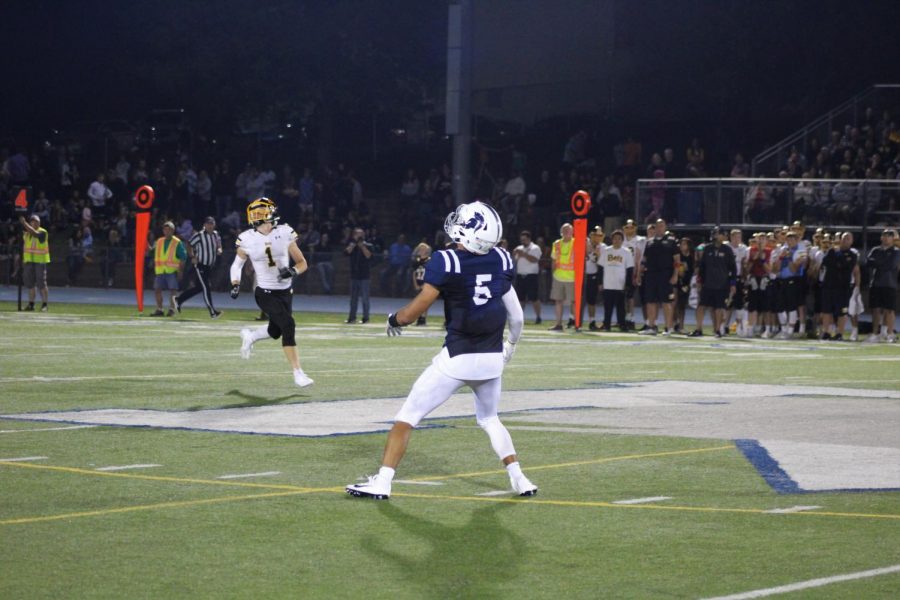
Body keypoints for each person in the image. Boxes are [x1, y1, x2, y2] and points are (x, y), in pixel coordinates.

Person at [346, 201, 536, 500]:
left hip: (458, 358)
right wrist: (510, 346)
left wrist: (395, 319)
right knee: (489, 419)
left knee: (406, 417)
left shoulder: (447, 260)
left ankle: (382, 482)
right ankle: (520, 478)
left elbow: (414, 311)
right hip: (491, 359)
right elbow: (517, 318)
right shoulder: (501, 258)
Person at [229, 197, 313, 387]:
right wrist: (235, 283)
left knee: (275, 331)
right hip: (264, 292)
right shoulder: (247, 239)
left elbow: (302, 263)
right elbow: (237, 264)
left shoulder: (284, 233)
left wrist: (292, 271)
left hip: (285, 292)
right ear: (258, 218)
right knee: (288, 325)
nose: (272, 217)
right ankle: (298, 372)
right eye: (269, 214)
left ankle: (250, 336)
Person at [691, 228, 736, 338]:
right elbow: (702, 267)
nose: (723, 237)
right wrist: (700, 281)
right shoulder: (707, 249)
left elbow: (733, 268)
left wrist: (733, 284)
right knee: (701, 306)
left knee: (719, 308)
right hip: (708, 283)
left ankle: (717, 330)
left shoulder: (727, 250)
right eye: (721, 234)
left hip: (722, 283)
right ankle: (698, 329)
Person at [174, 216, 223, 318]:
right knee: (206, 287)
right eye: (208, 224)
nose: (210, 226)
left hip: (209, 266)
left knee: (198, 288)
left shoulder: (216, 235)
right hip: (200, 265)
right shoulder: (200, 235)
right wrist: (192, 256)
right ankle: (212, 312)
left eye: (212, 224)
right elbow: (189, 244)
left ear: (214, 225)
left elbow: (219, 245)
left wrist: (219, 249)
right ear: (204, 225)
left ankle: (179, 299)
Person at [639, 218, 679, 335]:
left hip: (665, 275)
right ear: (655, 228)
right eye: (658, 226)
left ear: (665, 227)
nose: (660, 228)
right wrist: (640, 273)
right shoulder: (650, 242)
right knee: (650, 301)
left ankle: (668, 327)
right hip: (651, 274)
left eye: (662, 225)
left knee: (666, 302)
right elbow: (644, 259)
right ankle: (651, 326)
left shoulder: (671, 241)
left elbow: (677, 259)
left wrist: (675, 275)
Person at [820, 232, 860, 341]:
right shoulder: (832, 251)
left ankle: (839, 333)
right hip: (829, 284)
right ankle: (826, 332)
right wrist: (837, 259)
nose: (846, 240)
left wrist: (838, 260)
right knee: (827, 310)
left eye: (848, 238)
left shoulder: (852, 255)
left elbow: (845, 265)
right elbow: (825, 262)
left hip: (843, 287)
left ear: (851, 241)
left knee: (842, 311)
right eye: (844, 238)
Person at [865, 229, 898, 343]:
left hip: (890, 283)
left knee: (890, 310)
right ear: (881, 237)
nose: (886, 238)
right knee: (875, 309)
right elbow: (868, 262)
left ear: (893, 238)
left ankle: (890, 333)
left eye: (889, 236)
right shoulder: (875, 250)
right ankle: (875, 333)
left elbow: (891, 265)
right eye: (884, 235)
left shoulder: (896, 251)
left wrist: (878, 262)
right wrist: (882, 262)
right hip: (876, 283)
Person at [597, 229, 634, 331]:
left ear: (622, 240)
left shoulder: (626, 252)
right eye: (615, 238)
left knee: (621, 307)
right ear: (612, 240)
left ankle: (622, 324)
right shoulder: (606, 251)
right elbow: (600, 267)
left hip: (620, 284)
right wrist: (600, 282)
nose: (617, 240)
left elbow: (630, 269)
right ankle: (606, 324)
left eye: (619, 239)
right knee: (607, 307)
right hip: (608, 283)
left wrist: (628, 284)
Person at [150, 221, 187, 317]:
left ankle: (171, 309)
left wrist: (180, 271)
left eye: (169, 230)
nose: (167, 231)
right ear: (163, 230)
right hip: (160, 270)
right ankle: (160, 309)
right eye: (165, 229)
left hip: (172, 271)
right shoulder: (159, 241)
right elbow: (152, 252)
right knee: (157, 289)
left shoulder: (177, 242)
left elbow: (183, 257)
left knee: (173, 290)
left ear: (173, 231)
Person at [19, 215, 50, 311]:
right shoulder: (27, 233)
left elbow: (35, 234)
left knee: (41, 283)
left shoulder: (43, 232)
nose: (34, 223)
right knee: (30, 284)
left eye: (36, 221)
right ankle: (31, 304)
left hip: (40, 261)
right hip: (29, 261)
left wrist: (24, 223)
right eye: (32, 221)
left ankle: (44, 304)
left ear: (39, 223)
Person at [548, 223, 576, 331]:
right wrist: (553, 274)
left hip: (572, 277)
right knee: (558, 301)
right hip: (558, 276)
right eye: (564, 230)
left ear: (572, 232)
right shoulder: (556, 243)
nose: (566, 232)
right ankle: (558, 324)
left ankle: (574, 322)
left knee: (573, 301)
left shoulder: (576, 242)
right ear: (561, 232)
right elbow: (554, 260)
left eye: (568, 230)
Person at [512, 230, 542, 324]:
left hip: (531, 276)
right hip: (520, 276)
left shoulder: (535, 248)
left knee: (534, 298)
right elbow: (515, 260)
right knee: (520, 298)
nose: (523, 242)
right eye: (521, 240)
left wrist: (524, 254)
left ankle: (538, 317)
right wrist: (514, 254)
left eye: (524, 240)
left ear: (529, 239)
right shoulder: (519, 248)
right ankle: (520, 318)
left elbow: (534, 260)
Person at [345, 227, 374, 324]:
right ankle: (352, 318)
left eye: (361, 234)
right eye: (358, 234)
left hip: (365, 276)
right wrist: (353, 245)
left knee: (365, 298)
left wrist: (362, 247)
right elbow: (346, 252)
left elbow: (369, 256)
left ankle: (366, 318)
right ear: (354, 235)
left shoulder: (368, 245)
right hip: (354, 276)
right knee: (353, 299)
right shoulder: (352, 246)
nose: (360, 236)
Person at [410, 241, 432, 325]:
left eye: (423, 249)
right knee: (416, 302)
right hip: (418, 282)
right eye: (420, 249)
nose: (421, 251)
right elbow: (414, 273)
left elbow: (430, 273)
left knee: (425, 302)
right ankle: (418, 317)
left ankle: (423, 318)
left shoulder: (429, 261)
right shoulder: (416, 261)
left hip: (426, 283)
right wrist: (415, 285)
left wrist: (425, 284)